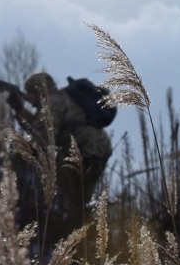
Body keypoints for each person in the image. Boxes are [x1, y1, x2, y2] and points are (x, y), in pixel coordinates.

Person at [7, 72, 113, 250]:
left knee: (73, 199)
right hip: (98, 149)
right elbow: (40, 127)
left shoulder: (53, 103)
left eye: (29, 94)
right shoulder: (60, 99)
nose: (29, 100)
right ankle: (83, 242)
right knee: (79, 199)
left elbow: (43, 138)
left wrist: (18, 154)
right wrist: (20, 111)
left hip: (85, 151)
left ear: (38, 91)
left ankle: (74, 244)